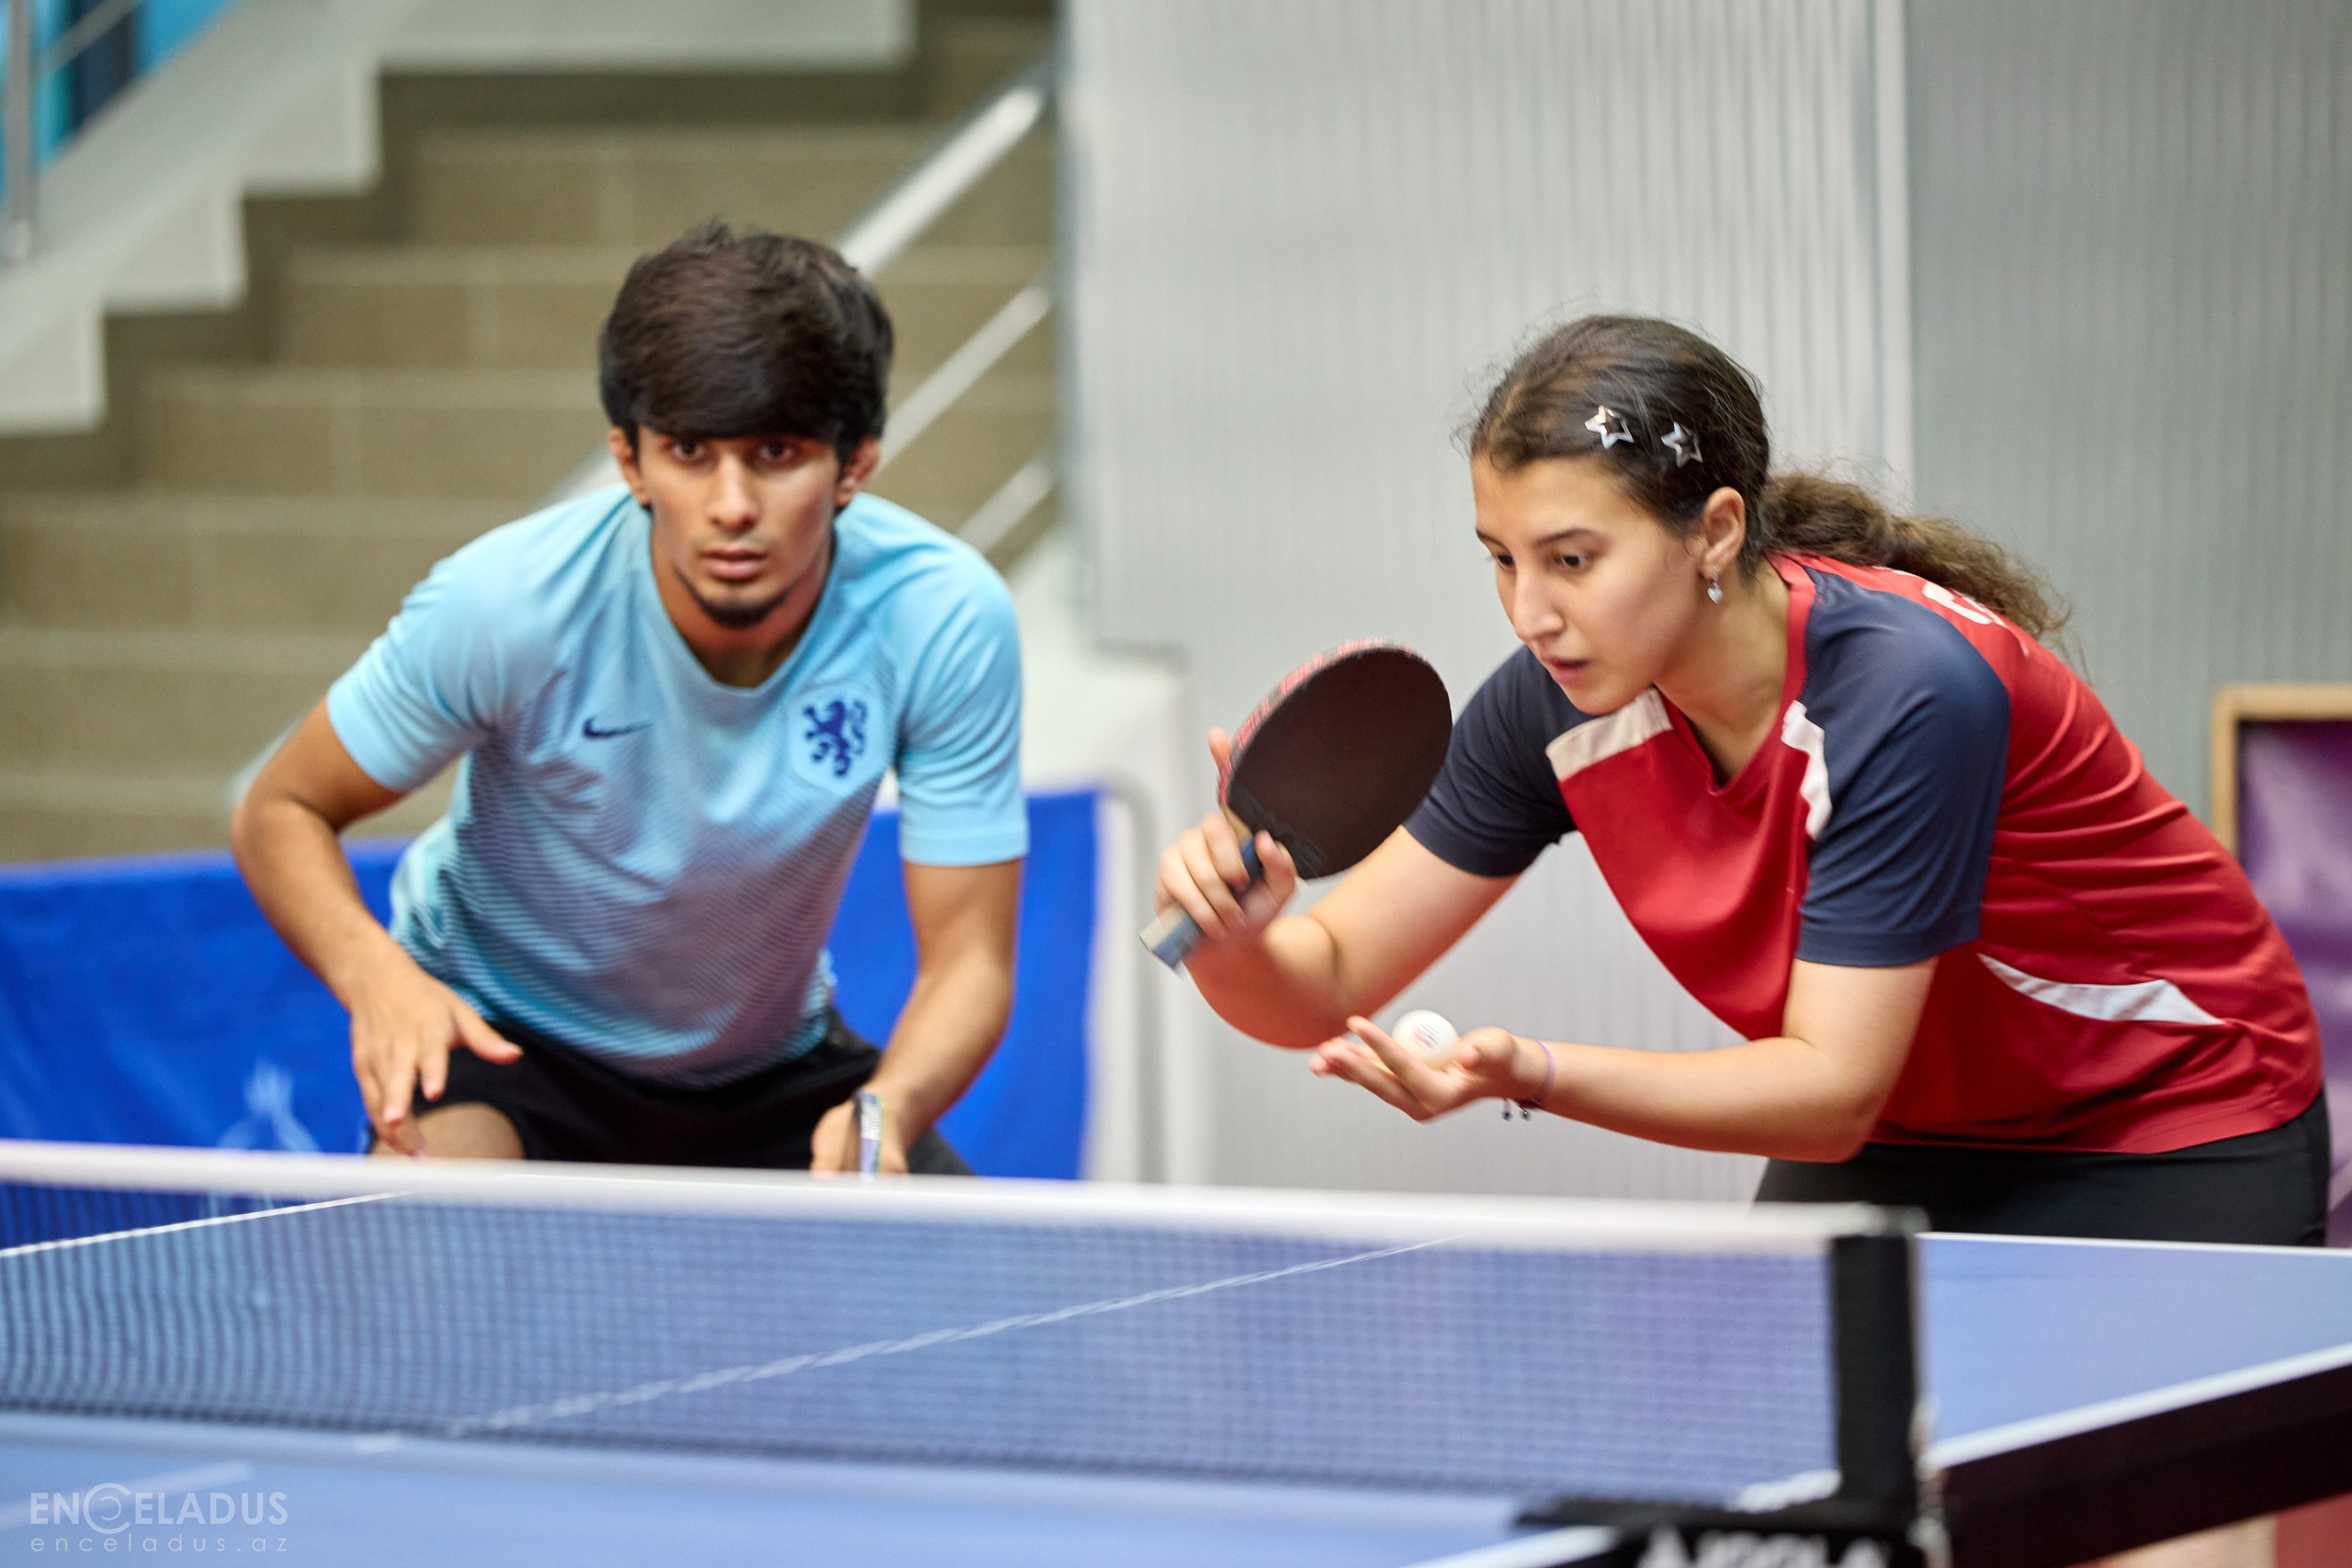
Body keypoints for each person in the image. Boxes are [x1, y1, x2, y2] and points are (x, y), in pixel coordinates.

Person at [1155, 314, 2327, 1247]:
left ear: (1715, 532)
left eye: (1572, 559)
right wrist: (1235, 933)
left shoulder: (1904, 692)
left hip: (2164, 1111)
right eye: (1502, 561)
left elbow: (1827, 1092)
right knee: (1830, 1500)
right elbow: (1323, 984)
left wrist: (1534, 1072)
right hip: (1913, 1123)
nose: (1530, 612)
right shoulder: (1553, 707)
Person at [232, 221, 1026, 1174]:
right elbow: (280, 809)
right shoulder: (507, 606)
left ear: (854, 462)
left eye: (776, 452)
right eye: (690, 451)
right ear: (629, 460)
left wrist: (884, 1112)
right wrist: (377, 979)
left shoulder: (943, 617)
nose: (731, 505)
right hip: (505, 1045)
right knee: (422, 1255)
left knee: (981, 1293)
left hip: (774, 1067)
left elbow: (970, 961)